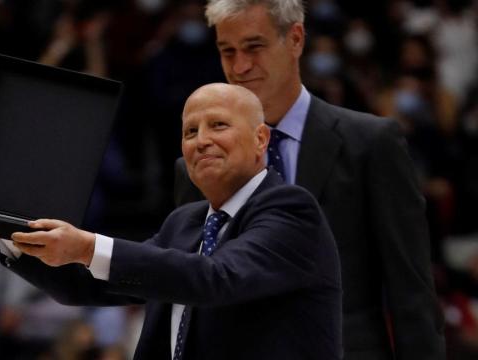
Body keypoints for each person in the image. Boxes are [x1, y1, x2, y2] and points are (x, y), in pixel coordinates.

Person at [0, 83, 342, 359]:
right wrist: (1, 220)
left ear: (261, 140)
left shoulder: (290, 210)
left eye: (218, 125)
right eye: (190, 131)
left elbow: (215, 278)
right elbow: (87, 283)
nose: (200, 140)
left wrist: (87, 246)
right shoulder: (184, 223)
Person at [173, 1, 445, 359]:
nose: (239, 67)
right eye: (228, 51)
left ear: (296, 39)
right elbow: (186, 290)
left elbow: (411, 291)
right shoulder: (196, 166)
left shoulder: (370, 144)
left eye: (254, 47)